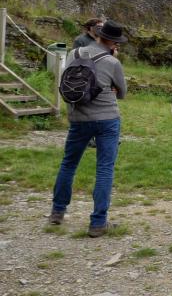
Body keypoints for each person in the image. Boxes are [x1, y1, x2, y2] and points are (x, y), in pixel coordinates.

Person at [48, 20, 128, 238]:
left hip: (78, 117)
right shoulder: (112, 62)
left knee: (69, 163)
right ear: (112, 42)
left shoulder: (75, 54)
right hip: (107, 119)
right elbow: (122, 93)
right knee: (104, 168)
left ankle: (57, 211)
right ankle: (98, 222)